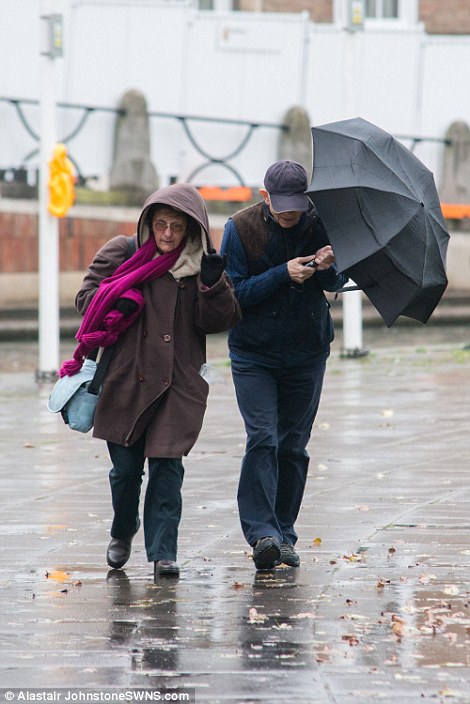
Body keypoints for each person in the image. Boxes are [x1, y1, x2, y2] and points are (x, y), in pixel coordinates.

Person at [65, 183, 241, 578]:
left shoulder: (200, 265)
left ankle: (164, 552)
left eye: (176, 227)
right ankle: (123, 531)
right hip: (126, 379)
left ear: (192, 229)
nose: (166, 234)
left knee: (167, 468)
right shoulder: (123, 252)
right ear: (147, 223)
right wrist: (122, 299)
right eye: (160, 224)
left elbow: (219, 322)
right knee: (126, 471)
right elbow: (85, 298)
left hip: (177, 383)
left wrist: (213, 286)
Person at [219, 160, 348, 571]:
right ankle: (262, 534)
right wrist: (282, 274)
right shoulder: (238, 229)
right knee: (263, 438)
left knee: (293, 445)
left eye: (297, 206)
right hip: (253, 354)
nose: (290, 215)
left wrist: (330, 268)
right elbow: (233, 293)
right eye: (281, 207)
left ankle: (284, 535)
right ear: (264, 198)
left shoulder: (320, 224)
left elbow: (336, 285)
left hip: (308, 351)